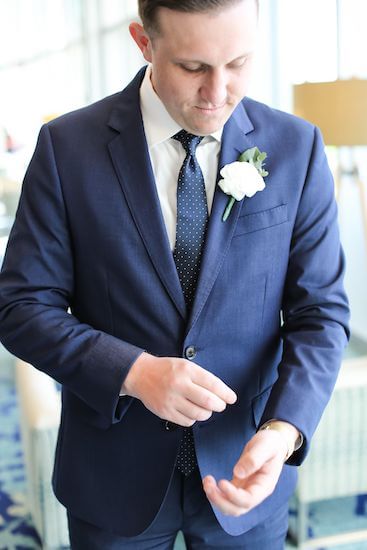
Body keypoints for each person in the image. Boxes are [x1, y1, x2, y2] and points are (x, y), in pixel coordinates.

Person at [0, 0, 349, 548]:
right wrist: (135, 373)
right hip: (113, 477)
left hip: (247, 470)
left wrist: (282, 433)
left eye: (238, 63)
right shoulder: (68, 149)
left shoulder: (296, 148)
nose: (219, 93)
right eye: (193, 67)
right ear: (144, 43)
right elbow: (20, 307)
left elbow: (321, 315)